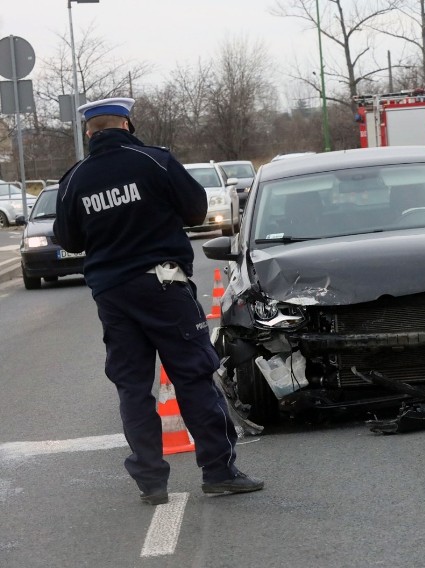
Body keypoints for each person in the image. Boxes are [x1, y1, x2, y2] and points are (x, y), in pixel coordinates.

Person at [54, 97, 263, 505]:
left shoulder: (75, 178)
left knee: (132, 386)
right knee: (193, 375)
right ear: (128, 124)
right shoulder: (154, 161)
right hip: (163, 285)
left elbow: (68, 239)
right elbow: (196, 209)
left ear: (88, 132)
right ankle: (218, 471)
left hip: (113, 295)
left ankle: (151, 482)